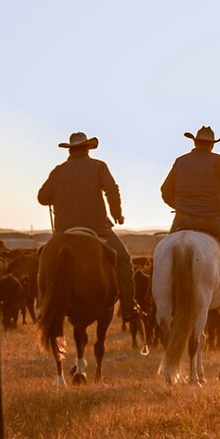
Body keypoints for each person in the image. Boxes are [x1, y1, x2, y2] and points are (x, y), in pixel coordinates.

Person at [37, 132, 138, 329]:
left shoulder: (58, 171)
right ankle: (128, 308)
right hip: (98, 229)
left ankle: (42, 308)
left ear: (70, 150)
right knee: (124, 260)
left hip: (63, 231)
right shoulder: (98, 166)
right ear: (87, 149)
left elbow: (42, 197)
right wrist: (117, 214)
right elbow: (112, 189)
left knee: (43, 258)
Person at [161, 125, 220, 322]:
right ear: (212, 145)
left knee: (162, 255)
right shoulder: (218, 162)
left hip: (182, 219)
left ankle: (152, 301)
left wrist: (179, 206)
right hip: (212, 220)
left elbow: (165, 191)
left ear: (194, 142)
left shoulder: (180, 161)